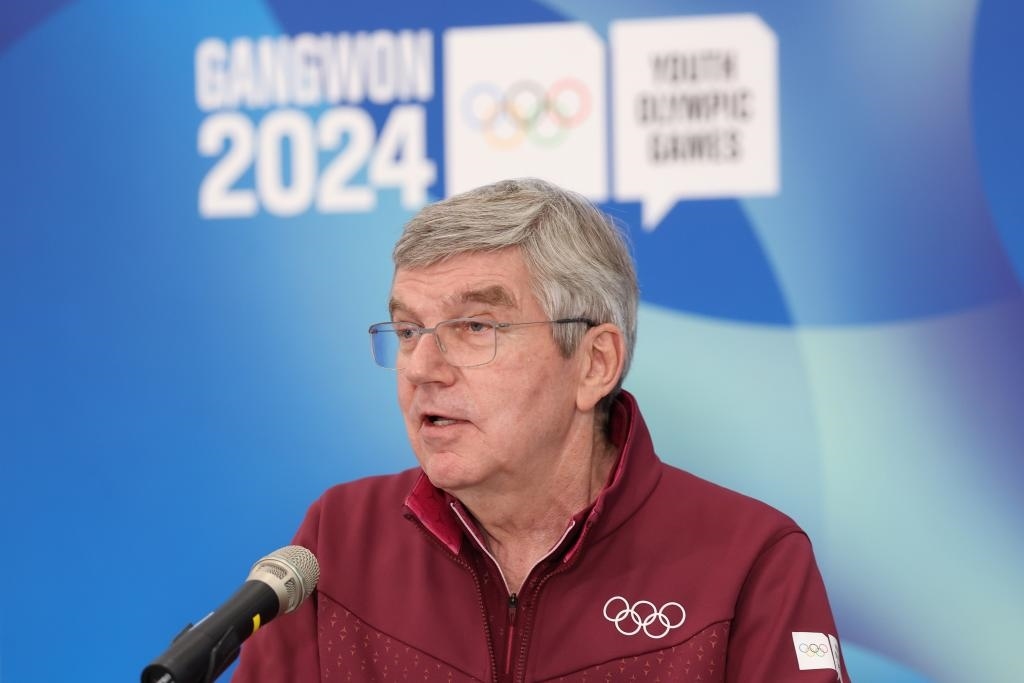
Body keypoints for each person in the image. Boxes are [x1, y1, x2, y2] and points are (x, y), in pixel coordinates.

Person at [232, 178, 847, 682]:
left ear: (594, 363)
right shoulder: (340, 539)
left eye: (475, 327)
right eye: (410, 330)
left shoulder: (749, 561)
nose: (420, 368)